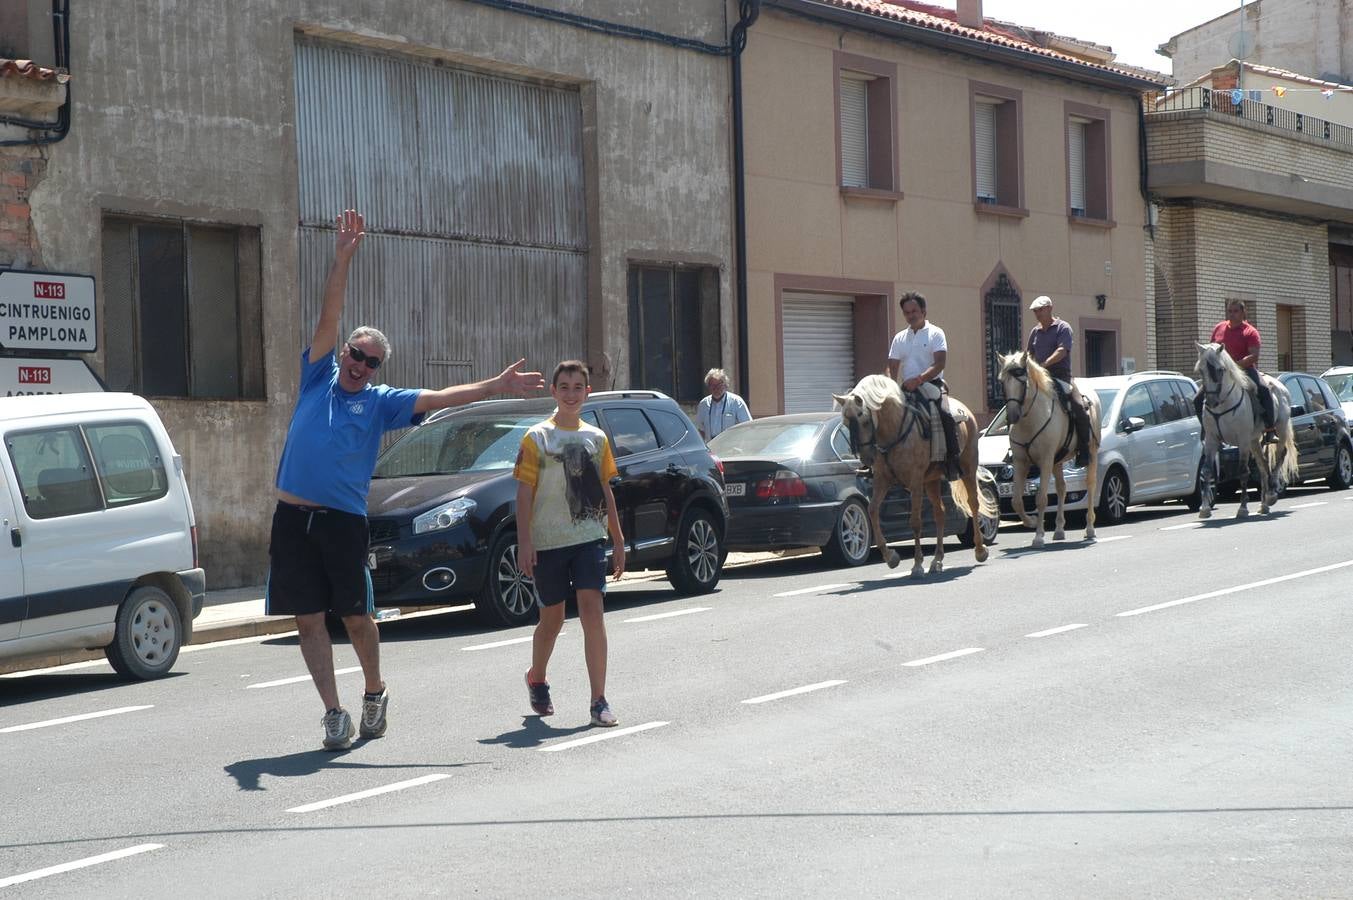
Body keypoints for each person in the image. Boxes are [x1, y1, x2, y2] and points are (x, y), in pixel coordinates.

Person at [268, 209, 544, 751]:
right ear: (342, 352)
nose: (359, 365)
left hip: (343, 522)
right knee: (306, 620)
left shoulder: (380, 404)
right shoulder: (317, 378)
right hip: (292, 518)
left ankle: (374, 690)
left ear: (376, 370)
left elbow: (442, 399)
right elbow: (328, 314)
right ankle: (332, 713)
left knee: (354, 615)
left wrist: (496, 385)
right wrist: (342, 258)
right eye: (355, 354)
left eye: (370, 362)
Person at [516, 360, 627, 727]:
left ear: (587, 392)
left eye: (578, 387)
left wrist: (618, 537)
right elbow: (524, 493)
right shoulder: (537, 437)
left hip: (588, 537)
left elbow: (605, 489)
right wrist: (525, 542)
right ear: (553, 391)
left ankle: (598, 700)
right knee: (553, 619)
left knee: (592, 610)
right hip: (548, 541)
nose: (571, 393)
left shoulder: (596, 438)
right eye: (564, 386)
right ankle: (537, 676)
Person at [886, 292, 961, 480]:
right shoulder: (899, 338)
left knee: (946, 414)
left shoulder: (936, 333)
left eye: (914, 311)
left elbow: (940, 364)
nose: (911, 315)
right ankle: (877, 463)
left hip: (932, 385)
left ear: (923, 311)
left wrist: (918, 380)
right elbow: (892, 367)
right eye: (906, 312)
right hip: (906, 388)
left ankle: (952, 461)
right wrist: (889, 388)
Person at [1194, 298, 1277, 442]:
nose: (1232, 314)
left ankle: (1270, 429)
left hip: (1244, 370)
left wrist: (1235, 365)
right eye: (1230, 311)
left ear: (1243, 312)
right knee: (1197, 398)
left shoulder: (1250, 332)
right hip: (1220, 372)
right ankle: (1206, 429)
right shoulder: (1219, 328)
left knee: (1264, 390)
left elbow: (1254, 356)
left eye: (1236, 311)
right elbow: (1212, 350)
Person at [1025, 295, 1092, 468]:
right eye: (1035, 311)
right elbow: (1029, 354)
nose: (1037, 313)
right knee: (1019, 401)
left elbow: (1063, 350)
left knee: (1078, 407)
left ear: (1050, 308)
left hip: (1061, 377)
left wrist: (1044, 364)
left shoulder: (1063, 327)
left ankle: (1084, 450)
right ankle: (1015, 448)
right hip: (1039, 379)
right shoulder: (1035, 332)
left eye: (1040, 310)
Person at [694, 368, 751, 441]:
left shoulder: (736, 402)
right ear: (708, 387)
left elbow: (747, 426)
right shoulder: (703, 404)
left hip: (731, 448)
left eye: (719, 385)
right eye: (712, 385)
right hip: (711, 447)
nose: (716, 388)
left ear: (725, 385)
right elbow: (700, 429)